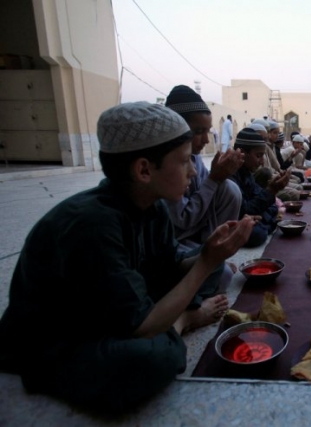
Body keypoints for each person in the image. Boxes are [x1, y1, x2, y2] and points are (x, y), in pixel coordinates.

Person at [0, 102, 254, 411]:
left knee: (215, 271)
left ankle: (174, 320)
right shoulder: (90, 223)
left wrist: (210, 253)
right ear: (144, 169)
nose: (192, 171)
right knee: (153, 359)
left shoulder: (154, 205)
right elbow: (141, 326)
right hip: (61, 341)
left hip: (117, 307)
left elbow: (170, 265)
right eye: (185, 160)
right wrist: (203, 267)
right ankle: (183, 320)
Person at [164, 85, 243, 252]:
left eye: (207, 131)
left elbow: (206, 193)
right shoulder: (165, 166)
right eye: (199, 131)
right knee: (223, 275)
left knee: (229, 188)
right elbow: (182, 219)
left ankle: (213, 246)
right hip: (175, 238)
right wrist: (214, 178)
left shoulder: (196, 159)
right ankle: (210, 252)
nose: (206, 140)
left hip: (198, 227)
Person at [230, 127, 291, 247]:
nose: (261, 162)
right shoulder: (230, 177)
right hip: (234, 221)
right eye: (258, 156)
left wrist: (270, 193)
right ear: (241, 152)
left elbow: (262, 199)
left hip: (250, 216)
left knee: (272, 210)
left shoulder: (247, 173)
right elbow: (245, 211)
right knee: (258, 234)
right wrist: (272, 190)